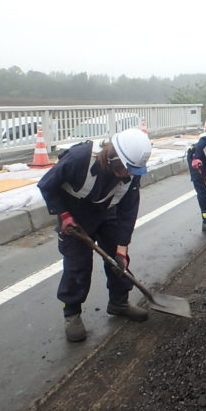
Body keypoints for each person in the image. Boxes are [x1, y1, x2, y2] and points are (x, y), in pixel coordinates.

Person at [37, 128, 152, 342]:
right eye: (126, 169)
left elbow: (128, 210)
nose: (129, 175)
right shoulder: (79, 159)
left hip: (107, 212)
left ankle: (119, 302)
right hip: (75, 216)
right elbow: (47, 185)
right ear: (113, 157)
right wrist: (63, 215)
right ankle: (71, 313)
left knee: (119, 264)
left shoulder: (132, 172)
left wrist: (122, 249)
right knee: (77, 266)